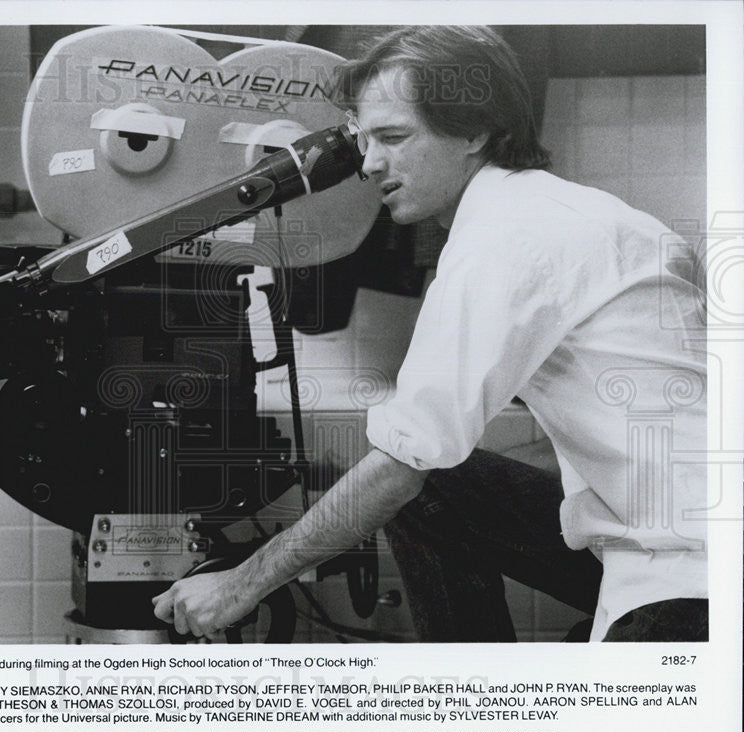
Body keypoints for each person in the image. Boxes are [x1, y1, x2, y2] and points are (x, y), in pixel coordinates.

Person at [152, 26, 708, 642]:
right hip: (672, 540)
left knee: (413, 480)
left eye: (393, 137)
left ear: (475, 131)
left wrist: (237, 586)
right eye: (365, 141)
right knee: (437, 485)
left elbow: (401, 466)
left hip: (689, 578)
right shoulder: (565, 213)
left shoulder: (506, 237)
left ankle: (469, 715)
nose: (368, 163)